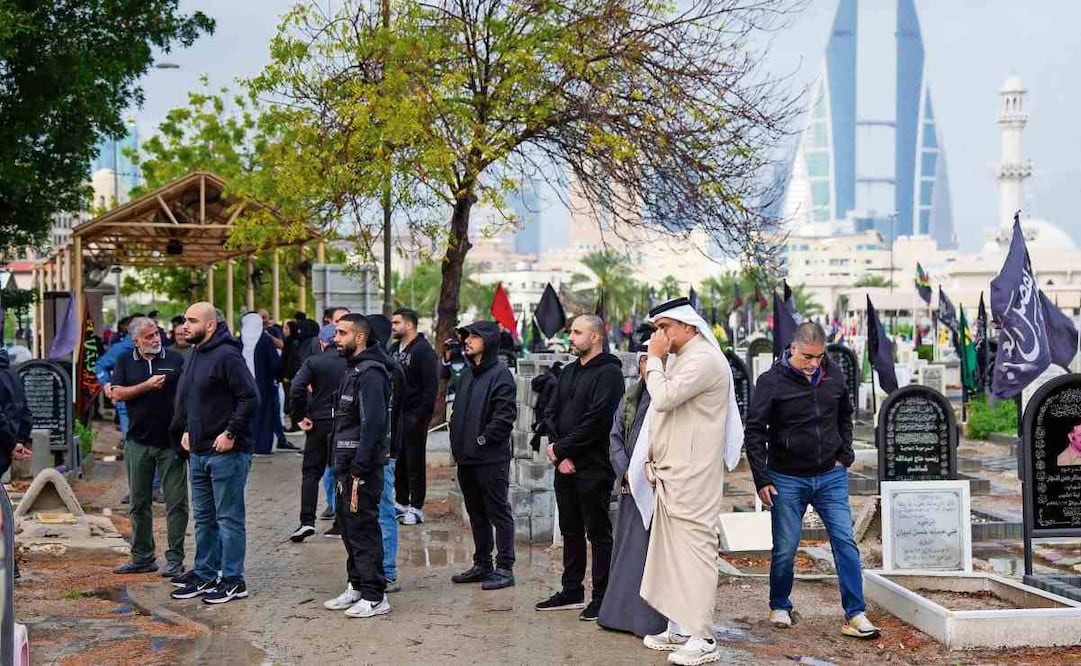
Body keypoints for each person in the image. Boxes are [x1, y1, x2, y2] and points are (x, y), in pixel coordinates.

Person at [745, 321, 880, 640]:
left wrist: (844, 455)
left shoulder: (833, 375)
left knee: (845, 543)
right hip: (786, 477)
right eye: (807, 356)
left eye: (819, 356)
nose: (814, 363)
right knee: (786, 547)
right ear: (792, 349)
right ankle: (779, 604)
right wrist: (761, 477)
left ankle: (855, 614)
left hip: (830, 475)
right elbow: (754, 430)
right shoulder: (771, 381)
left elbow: (845, 415)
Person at [637, 297, 733, 665]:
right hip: (671, 470)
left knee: (695, 553)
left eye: (665, 328)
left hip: (693, 474)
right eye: (656, 329)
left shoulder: (705, 360)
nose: (659, 335)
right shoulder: (682, 357)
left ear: (689, 327)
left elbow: (662, 399)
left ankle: (703, 637)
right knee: (671, 551)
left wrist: (656, 361)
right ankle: (678, 626)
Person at [535, 314, 624, 621]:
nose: (570, 337)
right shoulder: (570, 371)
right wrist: (561, 456)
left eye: (576, 332)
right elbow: (552, 413)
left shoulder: (610, 374)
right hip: (566, 466)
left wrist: (563, 449)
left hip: (594, 467)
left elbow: (598, 421)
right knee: (569, 529)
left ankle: (603, 597)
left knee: (597, 532)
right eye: (571, 332)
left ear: (596, 337)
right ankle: (571, 590)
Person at [169, 302, 258, 604]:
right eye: (184, 320)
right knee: (204, 518)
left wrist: (230, 433)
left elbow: (250, 397)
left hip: (227, 452)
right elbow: (194, 399)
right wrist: (186, 430)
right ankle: (205, 574)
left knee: (229, 518)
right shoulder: (196, 353)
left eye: (192, 321)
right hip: (199, 449)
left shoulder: (227, 356)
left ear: (210, 325)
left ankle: (234, 579)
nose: (185, 325)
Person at [322, 314, 391, 618]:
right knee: (350, 530)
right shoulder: (353, 369)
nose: (336, 338)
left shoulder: (372, 373)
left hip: (360, 469)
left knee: (364, 529)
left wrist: (360, 466)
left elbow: (373, 424)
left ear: (359, 337)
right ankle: (357, 586)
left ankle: (376, 596)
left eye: (342, 332)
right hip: (345, 466)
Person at [108, 317, 188, 577]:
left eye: (156, 334)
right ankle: (142, 556)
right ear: (136, 341)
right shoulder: (125, 361)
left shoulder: (175, 360)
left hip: (170, 442)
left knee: (176, 502)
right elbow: (117, 393)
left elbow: (188, 395)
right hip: (138, 442)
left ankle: (175, 558)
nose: (155, 339)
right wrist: (145, 386)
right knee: (139, 502)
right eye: (148, 337)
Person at [598, 352, 666, 637]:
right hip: (629, 486)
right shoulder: (631, 397)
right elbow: (615, 436)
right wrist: (625, 470)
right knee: (627, 549)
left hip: (658, 486)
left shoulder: (668, 397)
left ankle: (649, 621)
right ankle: (618, 614)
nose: (646, 365)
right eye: (642, 359)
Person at [448, 321, 518, 591]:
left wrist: (483, 439)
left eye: (474, 336)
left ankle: (504, 567)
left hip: (490, 458)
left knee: (498, 512)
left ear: (487, 341)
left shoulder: (500, 375)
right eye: (466, 336)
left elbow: (505, 416)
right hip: (466, 458)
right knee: (476, 512)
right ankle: (482, 563)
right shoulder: (467, 374)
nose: (467, 340)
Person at [288, 322, 347, 543]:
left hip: (318, 423)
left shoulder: (313, 362)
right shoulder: (350, 362)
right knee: (342, 472)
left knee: (311, 472)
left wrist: (299, 416)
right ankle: (340, 522)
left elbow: (296, 388)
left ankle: (306, 521)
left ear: (322, 342)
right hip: (344, 424)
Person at [390, 308, 439, 526]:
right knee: (398, 460)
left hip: (414, 416)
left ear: (409, 325)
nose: (393, 326)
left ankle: (416, 507)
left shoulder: (423, 350)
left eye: (396, 323)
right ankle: (400, 502)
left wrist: (420, 417)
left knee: (414, 462)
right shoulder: (393, 348)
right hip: (396, 415)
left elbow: (430, 388)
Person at [240, 311, 284, 456]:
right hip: (264, 385)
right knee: (265, 415)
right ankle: (263, 445)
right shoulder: (265, 340)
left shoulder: (240, 341)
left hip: (243, 385)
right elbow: (275, 364)